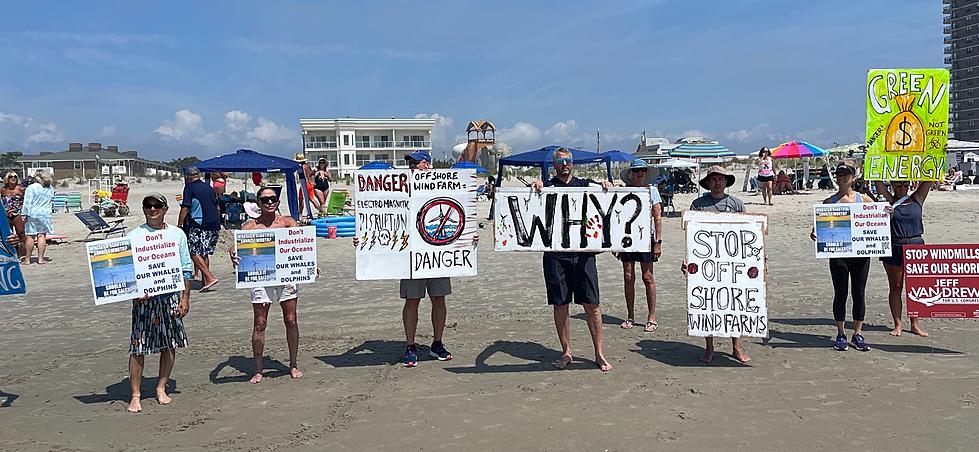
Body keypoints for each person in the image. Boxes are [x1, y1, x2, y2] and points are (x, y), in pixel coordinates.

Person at [353, 150, 476, 367]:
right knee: (412, 301)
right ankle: (410, 346)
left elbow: (462, 206)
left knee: (439, 298)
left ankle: (437, 343)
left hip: (437, 252)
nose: (410, 166)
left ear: (426, 164)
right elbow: (381, 213)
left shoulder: (444, 183)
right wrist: (364, 238)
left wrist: (470, 233)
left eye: (415, 163)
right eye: (408, 163)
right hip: (410, 255)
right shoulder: (402, 185)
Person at [531, 147, 614, 371]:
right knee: (560, 304)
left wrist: (607, 186)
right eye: (560, 161)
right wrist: (536, 187)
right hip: (556, 256)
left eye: (567, 160)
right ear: (554, 165)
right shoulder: (547, 187)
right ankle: (566, 351)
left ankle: (599, 352)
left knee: (592, 305)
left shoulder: (585, 185)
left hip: (584, 255)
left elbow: (609, 204)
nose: (564, 164)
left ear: (573, 163)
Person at [230, 186, 307, 383]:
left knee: (290, 318)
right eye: (265, 200)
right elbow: (236, 246)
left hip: (286, 275)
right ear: (259, 203)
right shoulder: (250, 227)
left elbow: (303, 246)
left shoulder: (288, 222)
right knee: (260, 322)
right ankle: (258, 369)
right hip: (260, 276)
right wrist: (233, 253)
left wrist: (311, 265)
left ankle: (293, 363)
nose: (270, 203)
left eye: (273, 199)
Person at [126, 193, 193, 412]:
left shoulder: (177, 234)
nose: (152, 209)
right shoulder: (134, 235)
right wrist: (134, 291)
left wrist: (185, 297)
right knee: (138, 347)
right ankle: (135, 394)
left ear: (165, 209)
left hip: (170, 296)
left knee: (169, 344)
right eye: (148, 205)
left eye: (157, 206)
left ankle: (161, 387)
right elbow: (126, 270)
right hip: (144, 300)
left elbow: (186, 267)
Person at [680, 166, 750, 363]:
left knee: (735, 304)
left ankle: (736, 347)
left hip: (733, 263)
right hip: (706, 263)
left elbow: (747, 234)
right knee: (707, 304)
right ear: (708, 183)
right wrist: (688, 259)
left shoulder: (737, 204)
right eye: (713, 179)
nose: (717, 182)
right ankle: (709, 347)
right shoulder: (698, 204)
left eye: (721, 179)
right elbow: (692, 234)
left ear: (726, 182)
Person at [811, 163, 874, 352]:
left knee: (859, 292)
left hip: (861, 254)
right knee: (840, 292)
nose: (841, 178)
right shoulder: (829, 202)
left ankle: (857, 333)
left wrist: (887, 214)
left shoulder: (864, 200)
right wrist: (816, 233)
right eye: (839, 175)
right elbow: (820, 228)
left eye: (845, 175)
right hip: (839, 253)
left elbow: (878, 220)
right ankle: (840, 333)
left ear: (853, 178)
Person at [874, 179, 933, 337]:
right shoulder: (889, 200)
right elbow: (878, 182)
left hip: (916, 246)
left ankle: (915, 324)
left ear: (910, 185)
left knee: (915, 288)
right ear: (892, 186)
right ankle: (898, 324)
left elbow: (929, 179)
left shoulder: (917, 198)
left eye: (905, 185)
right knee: (896, 287)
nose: (902, 188)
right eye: (898, 185)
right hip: (895, 246)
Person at [617, 160, 663, 332]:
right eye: (636, 171)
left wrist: (658, 242)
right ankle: (630, 315)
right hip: (627, 238)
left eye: (643, 171)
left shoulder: (652, 191)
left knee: (647, 277)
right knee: (628, 276)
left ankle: (651, 317)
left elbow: (657, 217)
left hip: (646, 238)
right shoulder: (623, 191)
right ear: (631, 173)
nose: (640, 174)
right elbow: (617, 217)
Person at [177, 166, 221, 291]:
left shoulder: (189, 187)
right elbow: (217, 207)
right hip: (214, 223)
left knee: (192, 251)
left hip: (199, 223)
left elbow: (185, 207)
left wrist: (180, 225)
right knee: (204, 252)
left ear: (188, 176)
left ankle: (209, 277)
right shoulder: (209, 188)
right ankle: (205, 282)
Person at [22, 170, 54, 265]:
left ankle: (27, 259)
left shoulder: (31, 188)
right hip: (45, 214)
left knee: (30, 236)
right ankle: (40, 259)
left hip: (33, 213)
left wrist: (24, 214)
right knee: (42, 236)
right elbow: (52, 201)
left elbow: (27, 202)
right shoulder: (49, 188)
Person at [2, 172, 26, 260]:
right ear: (7, 179)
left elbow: (26, 201)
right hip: (6, 214)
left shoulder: (21, 189)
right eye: (10, 177)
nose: (13, 178)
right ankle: (11, 252)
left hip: (18, 213)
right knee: (8, 234)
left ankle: (23, 252)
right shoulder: (3, 190)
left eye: (15, 177)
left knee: (21, 233)